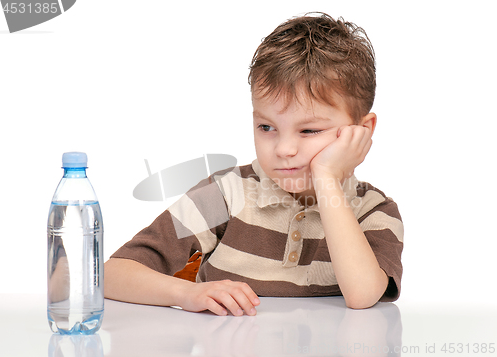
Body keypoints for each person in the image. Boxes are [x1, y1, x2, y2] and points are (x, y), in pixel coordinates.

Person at [105, 12, 403, 316]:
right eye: (266, 127)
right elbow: (111, 274)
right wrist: (187, 292)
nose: (284, 149)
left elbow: (362, 294)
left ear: (363, 130)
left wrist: (326, 177)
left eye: (309, 130)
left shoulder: (373, 211)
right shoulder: (224, 195)